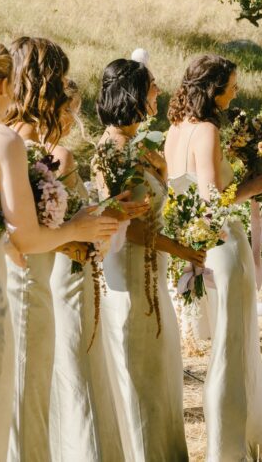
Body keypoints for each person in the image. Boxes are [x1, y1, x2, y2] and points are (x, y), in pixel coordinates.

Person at [2, 36, 123, 461]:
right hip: (23, 287)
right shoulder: (13, 147)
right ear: (46, 83)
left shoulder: (18, 145)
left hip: (31, 283)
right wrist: (80, 228)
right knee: (24, 401)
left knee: (29, 402)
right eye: (62, 78)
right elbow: (25, 234)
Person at [164, 54, 262, 460]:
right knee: (234, 345)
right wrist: (253, 185)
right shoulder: (207, 130)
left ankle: (242, 440)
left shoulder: (173, 130)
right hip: (225, 244)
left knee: (229, 343)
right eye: (232, 85)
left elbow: (183, 194)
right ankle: (231, 448)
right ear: (213, 90)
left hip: (198, 247)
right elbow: (212, 200)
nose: (236, 91)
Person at [97, 58, 200, 461]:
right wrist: (184, 250)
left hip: (150, 273)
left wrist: (165, 170)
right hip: (131, 275)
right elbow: (131, 228)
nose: (159, 91)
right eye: (152, 85)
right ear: (134, 94)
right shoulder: (114, 153)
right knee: (140, 375)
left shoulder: (136, 148)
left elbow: (153, 207)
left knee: (158, 372)